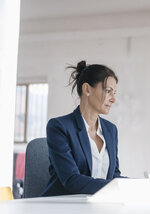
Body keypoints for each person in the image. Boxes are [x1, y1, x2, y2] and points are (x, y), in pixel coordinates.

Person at [41, 61, 124, 196]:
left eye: (114, 93)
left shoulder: (110, 130)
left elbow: (114, 175)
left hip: (97, 205)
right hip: (62, 208)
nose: (113, 99)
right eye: (108, 91)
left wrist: (142, 185)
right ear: (87, 89)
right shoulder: (59, 127)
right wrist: (117, 186)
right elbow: (72, 180)